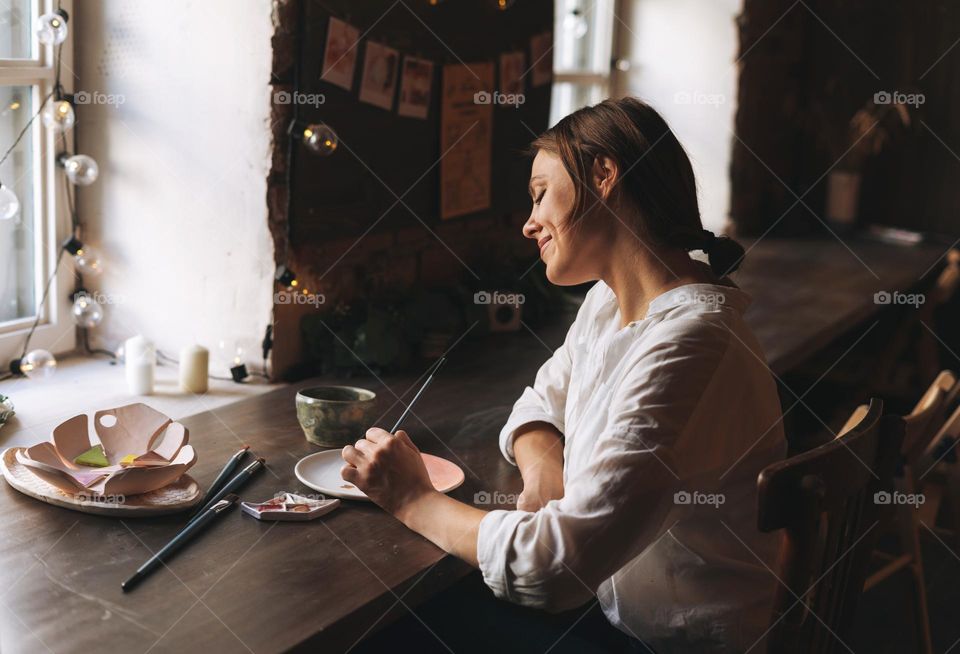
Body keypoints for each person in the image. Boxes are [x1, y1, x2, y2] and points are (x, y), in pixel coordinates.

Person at [341, 97, 786, 653]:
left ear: (603, 175)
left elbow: (555, 570)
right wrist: (546, 474)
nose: (529, 224)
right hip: (609, 613)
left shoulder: (692, 343)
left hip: (661, 644)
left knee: (388, 631)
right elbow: (539, 402)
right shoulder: (610, 302)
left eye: (540, 193)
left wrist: (411, 498)